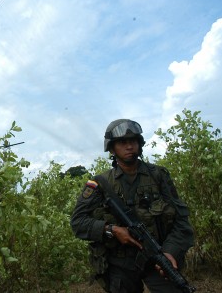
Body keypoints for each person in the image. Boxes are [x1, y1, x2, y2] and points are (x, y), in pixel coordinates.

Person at [71, 119, 194, 293]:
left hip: (158, 258)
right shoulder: (100, 183)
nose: (129, 146)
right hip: (120, 265)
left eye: (133, 141)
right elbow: (78, 222)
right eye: (122, 142)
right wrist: (112, 230)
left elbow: (182, 221)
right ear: (112, 149)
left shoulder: (158, 176)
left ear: (140, 144)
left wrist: (170, 251)